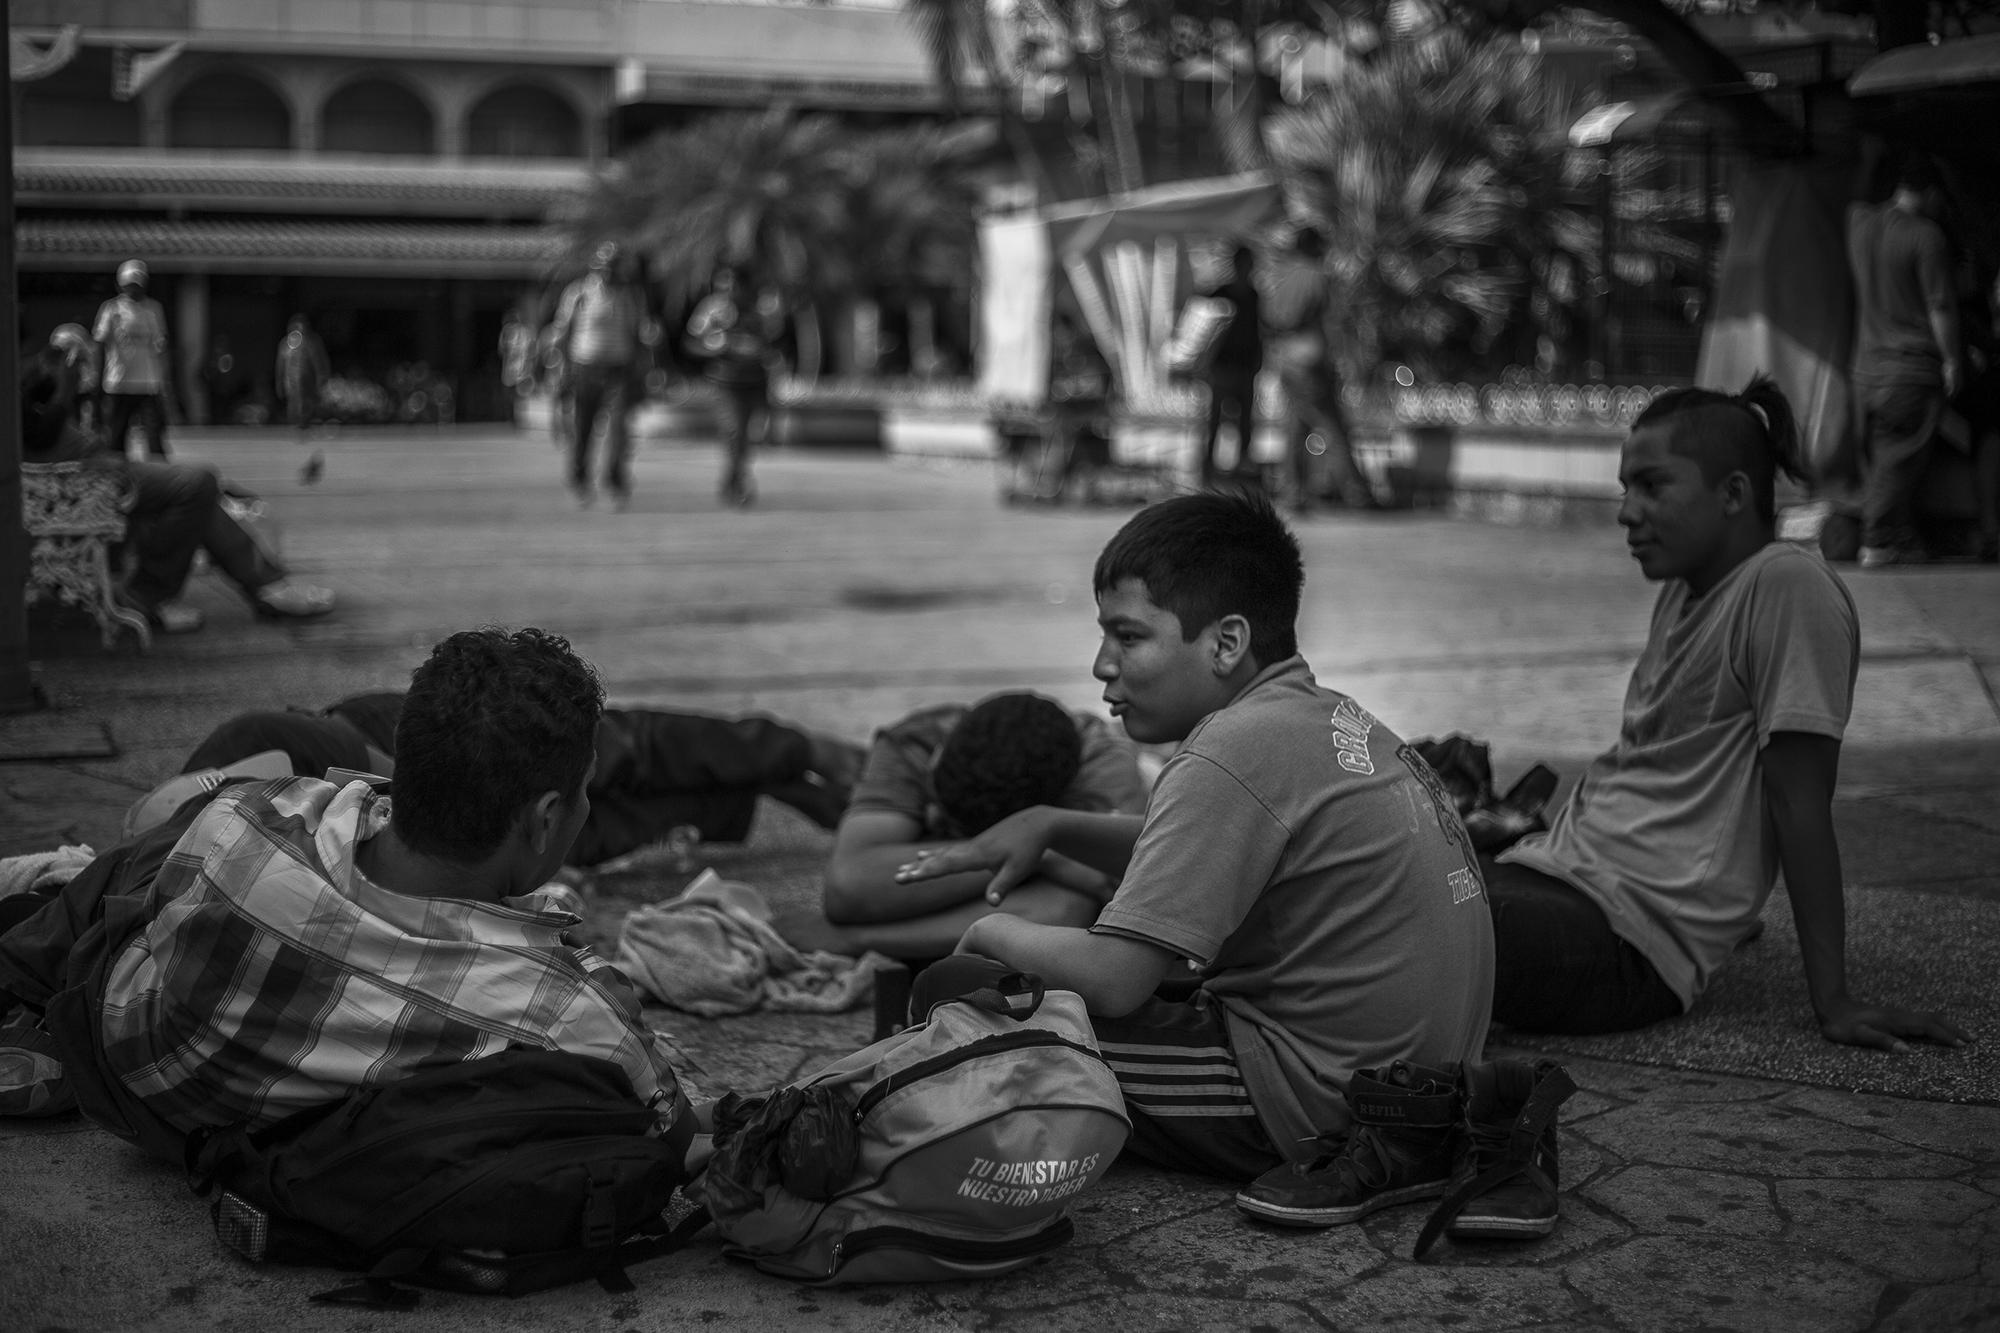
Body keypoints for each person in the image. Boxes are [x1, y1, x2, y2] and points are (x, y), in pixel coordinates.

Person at [896, 492, 1504, 1231]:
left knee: (954, 992)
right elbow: (1204, 849)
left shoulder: (1227, 752)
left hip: (1319, 1101)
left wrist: (996, 932)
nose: (1101, 665)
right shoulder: (1319, 719)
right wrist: (1052, 824)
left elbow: (1119, 981)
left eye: (1128, 636)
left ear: (1225, 643)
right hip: (1418, 1077)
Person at [0, 629, 700, 1148]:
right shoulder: (568, 1007)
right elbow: (672, 1125)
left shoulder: (241, 820)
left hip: (128, 1056)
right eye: (582, 794)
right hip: (205, 1133)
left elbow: (168, 853)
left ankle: (32, 990)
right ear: (547, 819)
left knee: (142, 853)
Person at [1488, 376, 1969, 1055]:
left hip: (1629, 941)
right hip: (1564, 873)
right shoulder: (1685, 593)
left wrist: (1833, 999)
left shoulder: (1786, 587)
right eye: (1626, 487)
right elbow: (1687, 766)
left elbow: (1800, 801)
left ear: (1734, 494)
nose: (1627, 511)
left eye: (1653, 486)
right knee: (1381, 855)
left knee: (1388, 909)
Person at [122, 690, 867, 868]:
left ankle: (800, 749)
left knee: (620, 750)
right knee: (599, 833)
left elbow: (390, 785)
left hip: (416, 747)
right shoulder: (208, 862)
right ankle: (763, 789)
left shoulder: (239, 771)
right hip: (430, 806)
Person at [804, 692, 1149, 962]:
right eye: (937, 809)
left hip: (967, 883)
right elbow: (850, 887)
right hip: (1007, 883)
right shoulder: (922, 739)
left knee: (1072, 912)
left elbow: (1084, 906)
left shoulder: (1101, 764)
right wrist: (1042, 851)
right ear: (938, 757)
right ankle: (802, 757)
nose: (934, 819)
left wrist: (858, 939)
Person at [22, 342, 334, 633]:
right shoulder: (26, 379)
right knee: (196, 484)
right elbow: (40, 432)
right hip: (75, 478)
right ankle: (146, 595)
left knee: (200, 488)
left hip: (87, 471)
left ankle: (264, 583)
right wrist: (63, 380)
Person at [1847, 155, 1961, 568]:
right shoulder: (1927, 237)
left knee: (1883, 457)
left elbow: (1858, 193)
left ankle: (1896, 537)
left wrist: (1871, 148)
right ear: (1931, 195)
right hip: (1910, 367)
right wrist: (1952, 359)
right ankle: (1876, 538)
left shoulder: (1859, 223)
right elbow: (1941, 305)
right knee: (1897, 458)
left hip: (1864, 371)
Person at [1265, 228, 1376, 513]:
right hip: (1309, 360)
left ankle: (1293, 491)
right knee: (1332, 425)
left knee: (1296, 426)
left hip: (1285, 358)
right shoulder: (1316, 276)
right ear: (1315, 247)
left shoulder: (1282, 276)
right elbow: (1331, 321)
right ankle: (1356, 491)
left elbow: (1272, 318)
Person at [550, 241, 649, 508]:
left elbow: (639, 334)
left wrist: (644, 370)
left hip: (619, 370)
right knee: (583, 428)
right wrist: (559, 370)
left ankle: (616, 482)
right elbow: (562, 332)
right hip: (585, 367)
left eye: (613, 269)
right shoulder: (579, 294)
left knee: (619, 430)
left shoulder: (630, 296)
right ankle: (580, 479)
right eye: (604, 268)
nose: (608, 274)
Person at [686, 266, 784, 508]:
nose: (728, 291)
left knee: (748, 436)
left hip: (754, 381)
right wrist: (716, 347)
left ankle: (733, 478)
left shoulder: (761, 310)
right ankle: (739, 483)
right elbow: (691, 343)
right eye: (722, 286)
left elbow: (773, 345)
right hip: (725, 383)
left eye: (732, 286)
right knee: (734, 430)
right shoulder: (711, 310)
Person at [91, 258, 176, 460]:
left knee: (155, 437)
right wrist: (96, 379)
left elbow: (160, 346)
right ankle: (117, 479)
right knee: (116, 437)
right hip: (118, 384)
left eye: (137, 284)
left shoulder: (153, 309)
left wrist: (166, 383)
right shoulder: (111, 309)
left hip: (148, 383)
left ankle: (160, 478)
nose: (133, 289)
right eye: (129, 284)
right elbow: (99, 343)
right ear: (120, 284)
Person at [1195, 246, 1265, 489]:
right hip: (1222, 369)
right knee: (1214, 422)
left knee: (1245, 425)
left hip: (1246, 368)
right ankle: (1207, 474)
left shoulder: (1254, 295)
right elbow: (1202, 323)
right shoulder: (1220, 293)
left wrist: (1258, 362)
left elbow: (1258, 331)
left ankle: (1242, 473)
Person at [274, 314, 332, 483]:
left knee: (308, 404)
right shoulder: (286, 344)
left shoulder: (311, 342)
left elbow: (318, 361)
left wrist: (321, 376)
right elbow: (281, 364)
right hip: (294, 380)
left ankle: (304, 426)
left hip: (307, 381)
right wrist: (281, 381)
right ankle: (299, 427)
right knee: (296, 404)